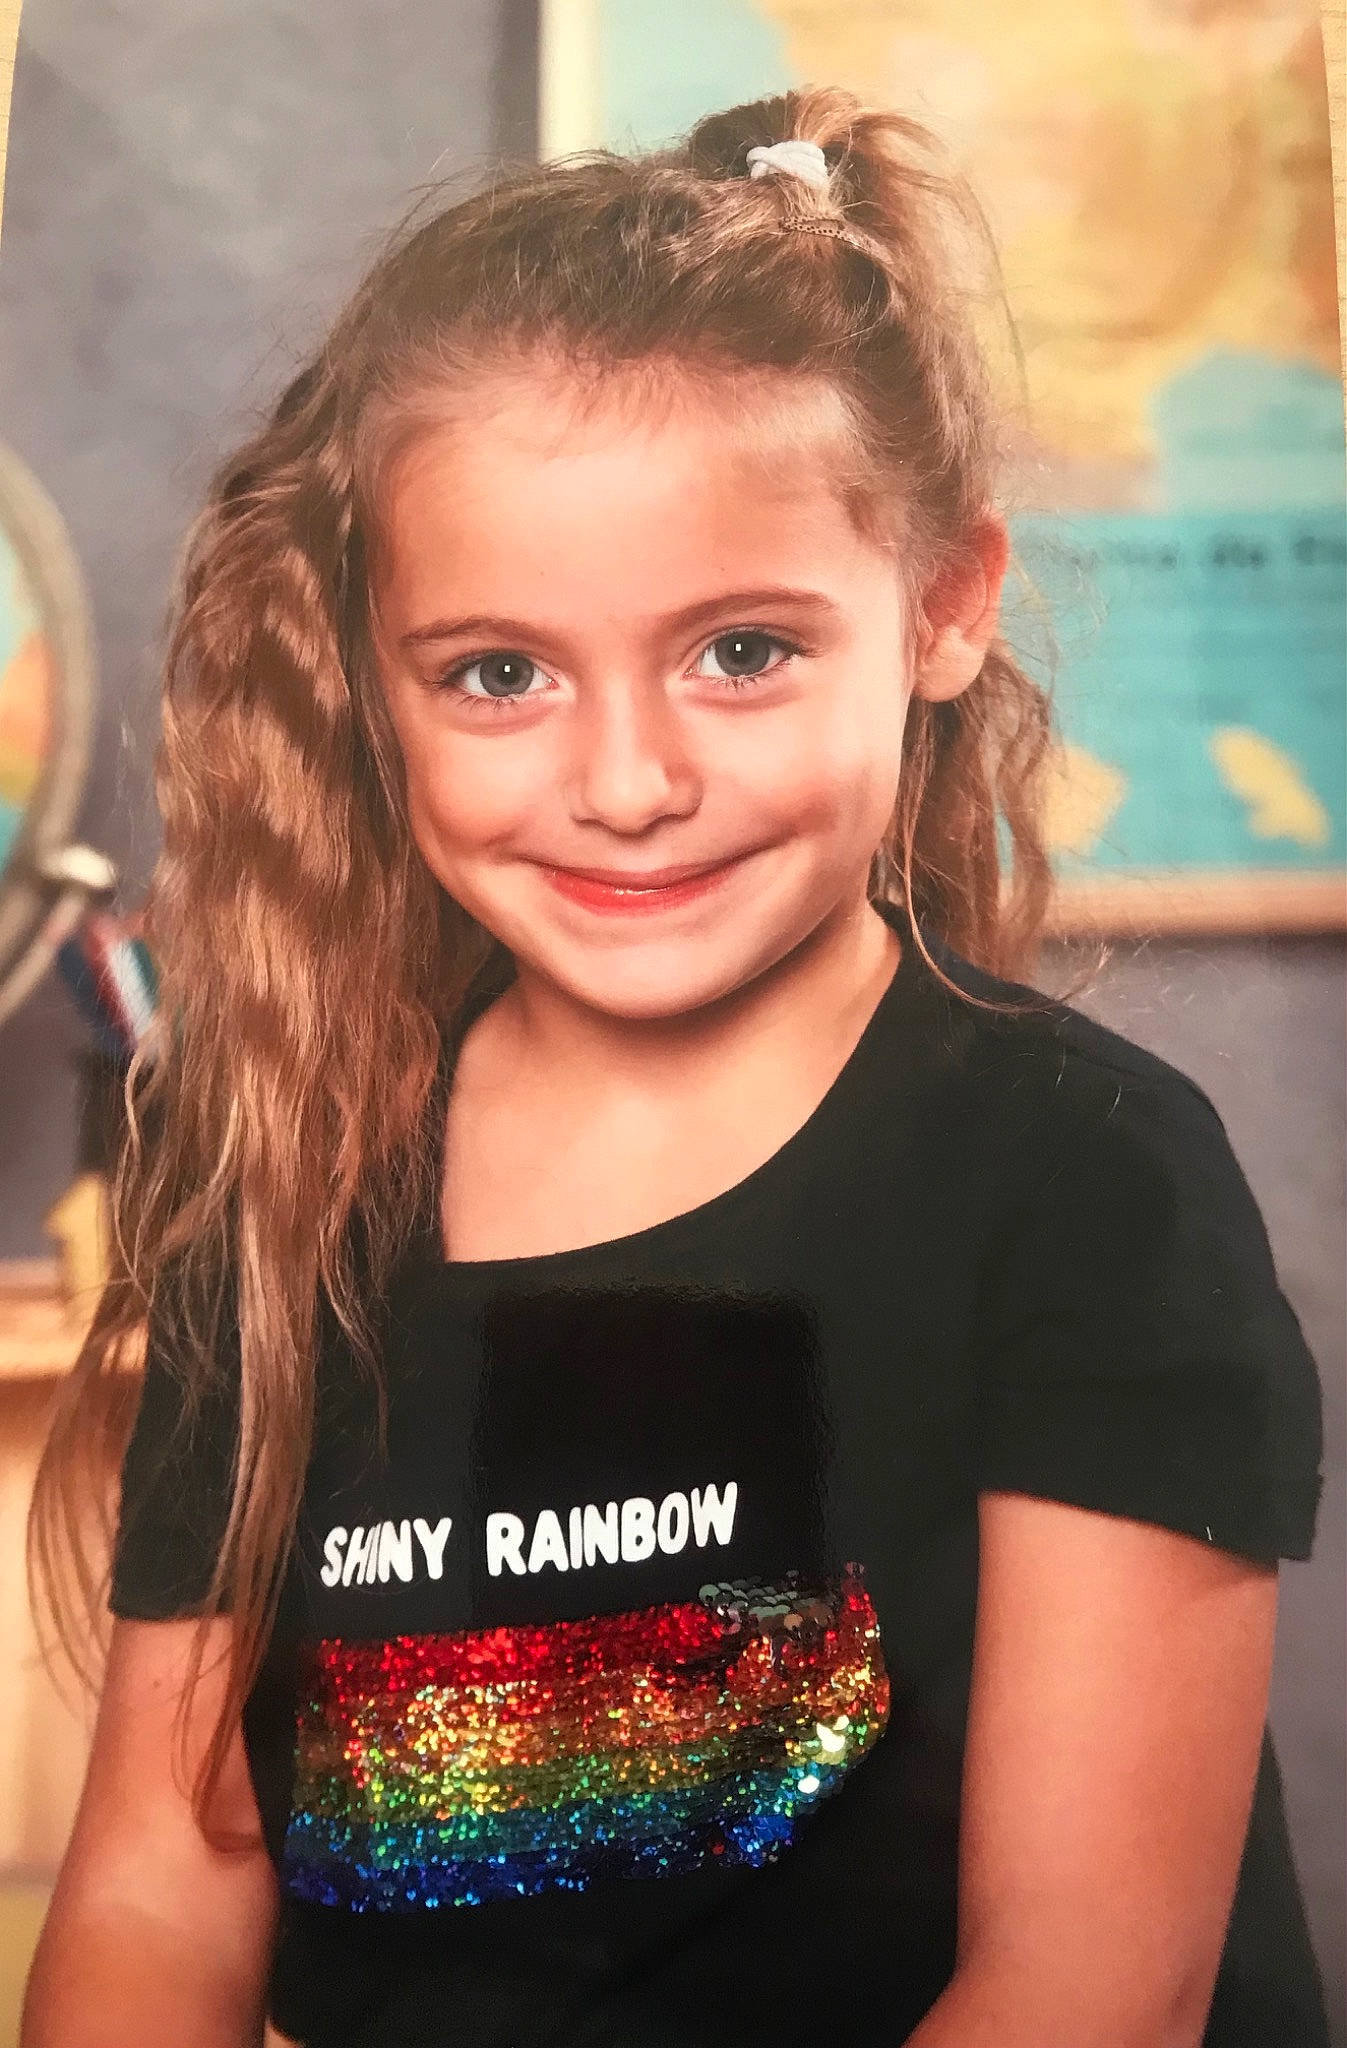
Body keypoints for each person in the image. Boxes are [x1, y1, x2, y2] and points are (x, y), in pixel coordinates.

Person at [23, 87, 1328, 2048]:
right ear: (380, 682)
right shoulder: (282, 1177)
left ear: (943, 609)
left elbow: (1088, 1988)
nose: (626, 784)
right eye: (497, 674)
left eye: (738, 651)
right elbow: (154, 1880)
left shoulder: (1081, 1184)